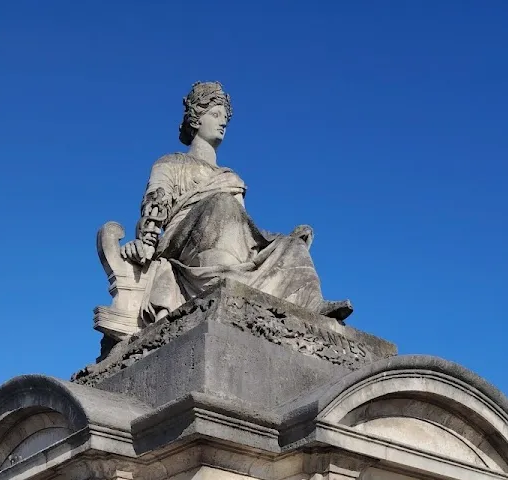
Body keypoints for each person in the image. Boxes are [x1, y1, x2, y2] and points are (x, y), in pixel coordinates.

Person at [120, 81, 351, 326]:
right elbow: (155, 206)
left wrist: (278, 240)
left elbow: (243, 229)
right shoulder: (170, 164)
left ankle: (310, 304)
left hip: (228, 239)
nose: (222, 123)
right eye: (215, 114)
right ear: (196, 119)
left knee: (292, 245)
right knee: (221, 203)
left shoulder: (231, 177)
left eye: (225, 119)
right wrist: (145, 243)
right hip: (183, 242)